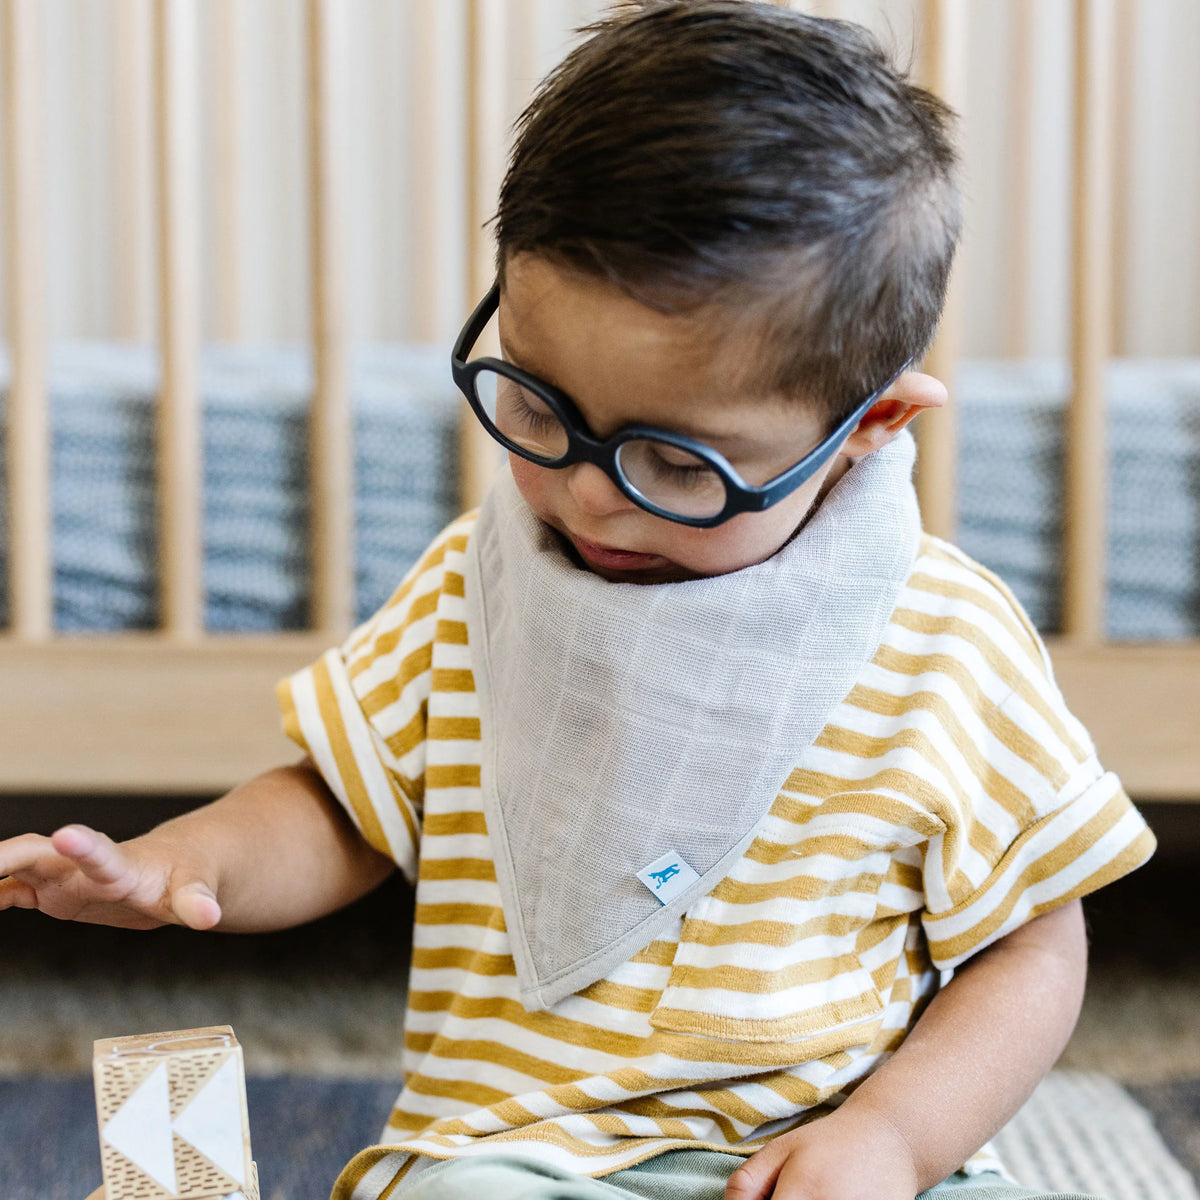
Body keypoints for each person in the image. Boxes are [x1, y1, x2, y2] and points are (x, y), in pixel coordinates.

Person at [0, 5, 1155, 1200]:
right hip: (523, 1152)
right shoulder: (479, 584)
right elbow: (344, 811)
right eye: (540, 412)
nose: (591, 501)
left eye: (678, 464)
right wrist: (178, 867)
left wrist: (899, 1140)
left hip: (822, 1161)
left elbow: (1030, 943)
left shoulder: (944, 641)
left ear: (869, 430)